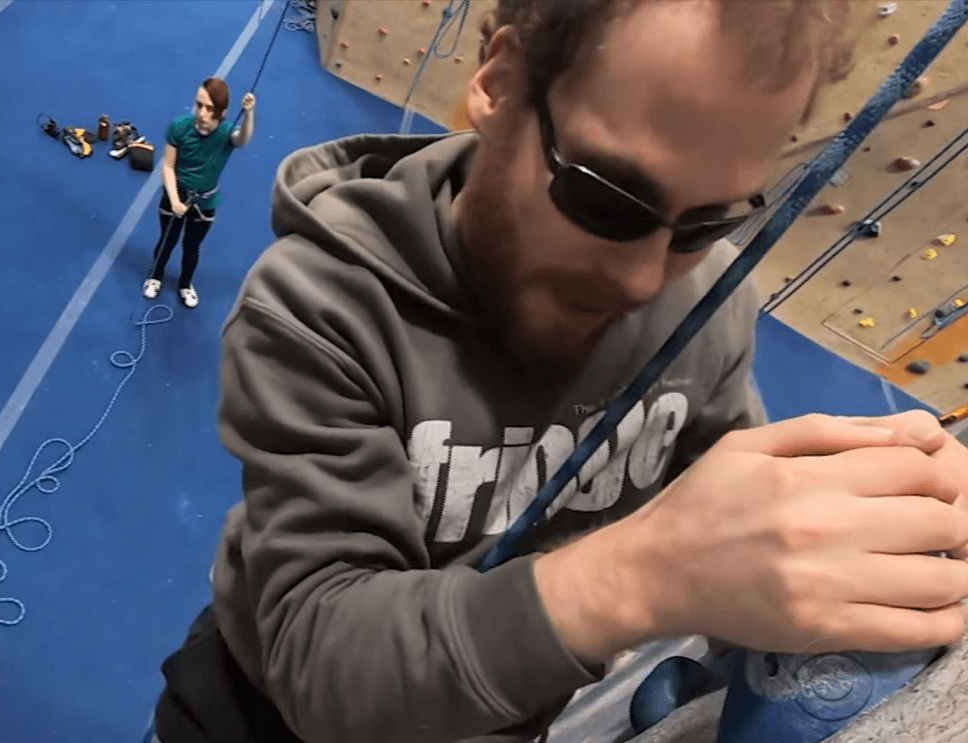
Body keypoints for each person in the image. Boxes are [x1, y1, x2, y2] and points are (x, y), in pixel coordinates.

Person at [151, 1, 968, 742]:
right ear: (500, 82)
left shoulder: (707, 300)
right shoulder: (324, 305)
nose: (648, 280)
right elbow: (321, 658)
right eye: (610, 198)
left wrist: (880, 531)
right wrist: (643, 574)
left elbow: (726, 501)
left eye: (708, 221)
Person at [143, 78, 256, 309]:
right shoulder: (179, 126)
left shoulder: (226, 134)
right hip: (177, 194)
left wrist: (249, 114)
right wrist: (174, 199)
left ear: (222, 112)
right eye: (199, 105)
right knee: (167, 240)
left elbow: (242, 140)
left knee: (192, 246)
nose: (202, 113)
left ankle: (185, 283)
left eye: (210, 108)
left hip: (204, 202)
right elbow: (167, 166)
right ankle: (155, 276)